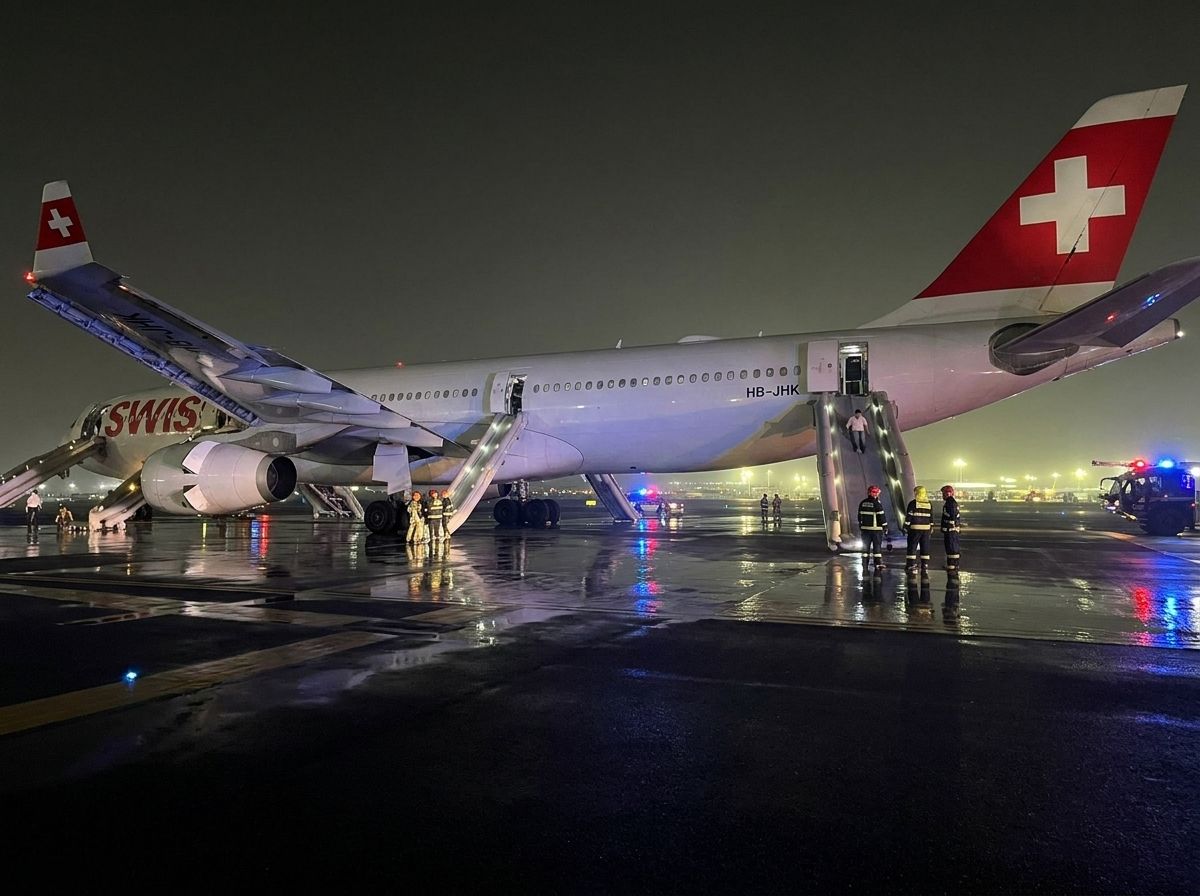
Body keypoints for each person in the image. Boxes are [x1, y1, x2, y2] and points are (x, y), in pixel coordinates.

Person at [857, 484, 888, 571]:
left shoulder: (862, 503)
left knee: (865, 547)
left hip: (865, 530)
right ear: (875, 494)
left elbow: (859, 516)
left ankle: (864, 563)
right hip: (876, 530)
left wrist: (861, 525)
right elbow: (881, 517)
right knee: (877, 547)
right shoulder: (877, 504)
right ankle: (878, 563)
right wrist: (885, 527)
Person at [903, 485, 932, 575]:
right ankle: (925, 564)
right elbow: (931, 518)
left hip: (915, 528)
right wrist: (931, 527)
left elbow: (909, 517)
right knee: (925, 546)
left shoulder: (913, 503)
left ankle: (911, 564)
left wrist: (905, 527)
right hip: (926, 529)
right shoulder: (929, 504)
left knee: (912, 546)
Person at [940, 484, 962, 574]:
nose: (942, 496)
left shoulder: (950, 503)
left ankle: (952, 567)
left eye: (943, 493)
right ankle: (953, 566)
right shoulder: (951, 502)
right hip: (952, 530)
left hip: (950, 531)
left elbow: (952, 516)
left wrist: (950, 526)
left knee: (951, 549)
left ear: (948, 494)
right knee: (952, 549)